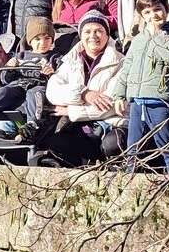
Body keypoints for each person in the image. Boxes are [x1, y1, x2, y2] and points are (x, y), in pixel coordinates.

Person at [111, 0, 169, 172]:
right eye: (147, 12)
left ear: (166, 9)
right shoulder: (138, 39)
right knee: (133, 146)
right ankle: (130, 176)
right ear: (142, 15)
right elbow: (127, 68)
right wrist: (119, 95)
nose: (153, 15)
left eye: (157, 9)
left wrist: (160, 34)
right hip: (137, 102)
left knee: (165, 144)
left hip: (160, 100)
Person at [42, 12, 125, 167]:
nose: (93, 36)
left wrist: (71, 111)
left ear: (107, 35)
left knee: (113, 144)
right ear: (81, 35)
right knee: (57, 144)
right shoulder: (70, 60)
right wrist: (83, 94)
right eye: (87, 31)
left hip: (113, 123)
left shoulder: (121, 62)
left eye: (99, 31)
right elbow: (52, 91)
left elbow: (111, 105)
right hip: (82, 125)